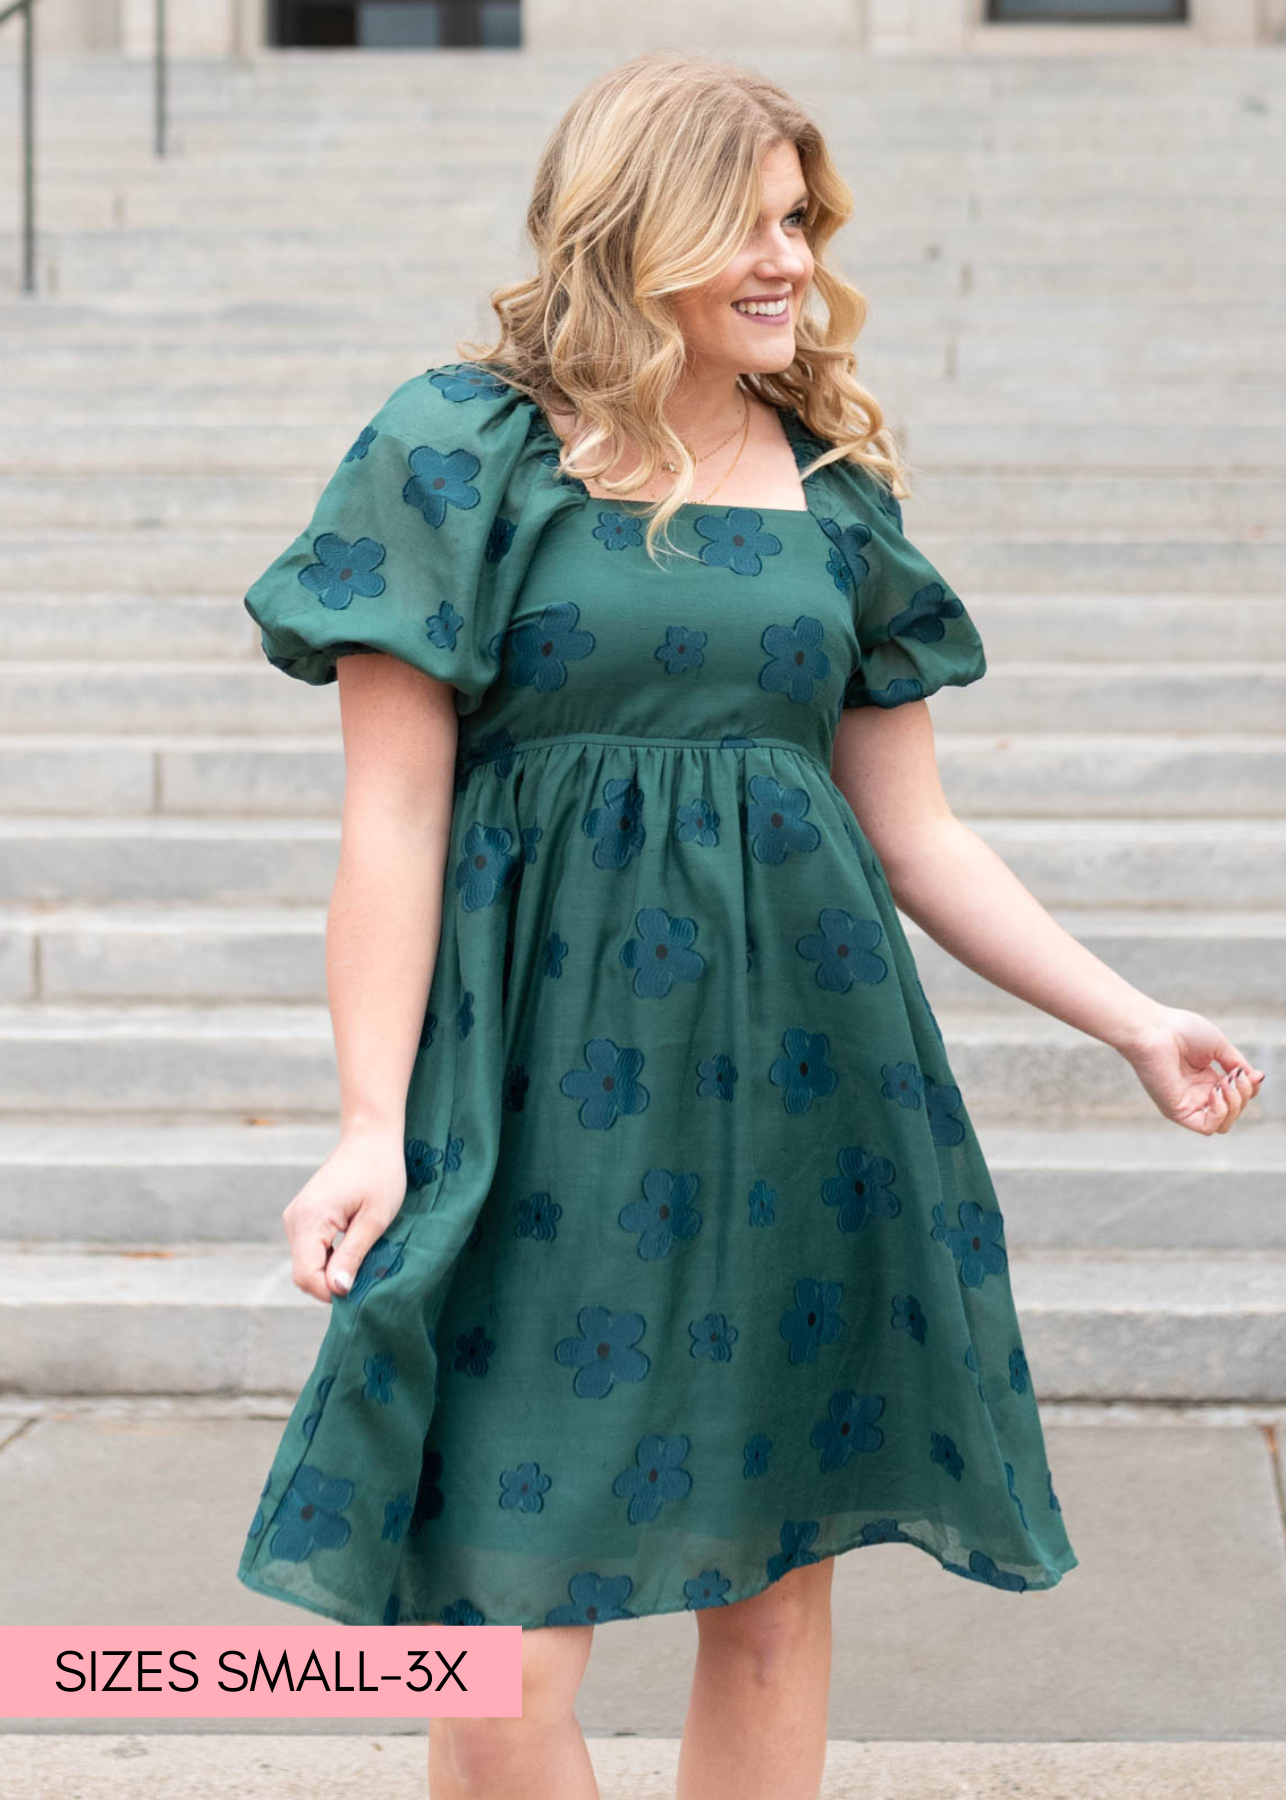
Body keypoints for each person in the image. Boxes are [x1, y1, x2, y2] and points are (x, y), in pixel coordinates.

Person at [234, 47, 1265, 1800]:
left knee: (776, 1599)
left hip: (801, 1083)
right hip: (531, 1091)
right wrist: (361, 1122)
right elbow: (393, 818)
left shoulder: (832, 492)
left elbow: (919, 835)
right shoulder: (456, 448)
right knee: (490, 1652)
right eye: (748, 222)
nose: (790, 256)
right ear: (636, 232)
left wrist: (1130, 1015)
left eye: (802, 219)